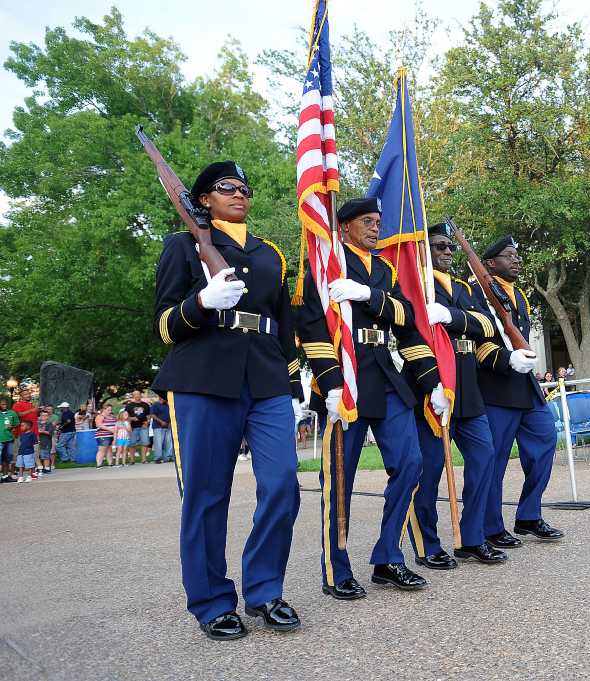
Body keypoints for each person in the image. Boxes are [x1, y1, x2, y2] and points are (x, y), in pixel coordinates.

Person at [150, 160, 303, 640]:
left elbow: (284, 323)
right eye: (226, 187)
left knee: (282, 484)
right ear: (203, 200)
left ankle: (263, 590)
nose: (239, 193)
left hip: (265, 378)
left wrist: (297, 385)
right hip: (203, 377)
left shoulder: (269, 253)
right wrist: (201, 303)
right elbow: (163, 325)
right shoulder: (183, 246)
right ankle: (213, 602)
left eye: (244, 187)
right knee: (206, 494)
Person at [294, 197, 437, 599]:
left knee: (411, 464)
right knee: (339, 480)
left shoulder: (385, 269)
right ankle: (336, 569)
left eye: (378, 221)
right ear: (343, 227)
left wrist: (432, 383)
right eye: (367, 222)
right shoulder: (324, 265)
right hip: (348, 380)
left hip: (386, 377)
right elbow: (310, 326)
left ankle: (388, 557)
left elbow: (407, 319)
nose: (376, 227)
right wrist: (331, 383)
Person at [404, 222, 509, 570]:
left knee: (484, 457)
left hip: (466, 385)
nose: (447, 251)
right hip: (429, 385)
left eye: (449, 246)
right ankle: (427, 545)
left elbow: (489, 326)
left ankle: (472, 537)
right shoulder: (416, 284)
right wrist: (466, 322)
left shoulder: (463, 287)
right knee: (430, 468)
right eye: (438, 246)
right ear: (423, 250)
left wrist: (452, 316)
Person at [470, 235, 564, 548]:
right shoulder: (476, 292)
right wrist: (505, 359)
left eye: (516, 256)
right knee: (493, 461)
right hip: (496, 386)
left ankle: (528, 515)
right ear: (491, 263)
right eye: (509, 256)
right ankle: (491, 527)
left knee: (545, 440)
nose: (516, 261)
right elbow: (475, 340)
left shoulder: (520, 294)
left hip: (526, 387)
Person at [124, 390, 151, 464]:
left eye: (138, 394)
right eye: (135, 394)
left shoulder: (145, 405)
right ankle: (132, 460)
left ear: (140, 395)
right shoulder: (129, 406)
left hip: (143, 426)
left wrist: (147, 422)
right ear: (133, 396)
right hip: (133, 427)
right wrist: (132, 418)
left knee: (145, 442)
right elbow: (125, 417)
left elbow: (148, 415)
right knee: (132, 443)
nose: (137, 396)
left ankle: (144, 460)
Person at [0, 397, 20, 483]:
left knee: (7, 459)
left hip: (9, 439)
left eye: (5, 404)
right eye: (2, 404)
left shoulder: (12, 413)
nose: (4, 405)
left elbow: (16, 424)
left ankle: (5, 476)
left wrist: (11, 427)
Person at [149, 395, 173, 464]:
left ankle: (167, 458)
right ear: (160, 397)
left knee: (168, 443)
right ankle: (157, 458)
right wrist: (161, 422)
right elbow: (152, 415)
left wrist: (170, 423)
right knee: (158, 443)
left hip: (168, 426)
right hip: (158, 427)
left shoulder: (168, 405)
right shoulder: (155, 405)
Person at [37, 406, 55, 473]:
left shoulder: (49, 424)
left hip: (46, 442)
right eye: (43, 415)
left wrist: (42, 431)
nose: (44, 417)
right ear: (40, 416)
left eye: (46, 415)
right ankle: (40, 467)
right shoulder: (37, 423)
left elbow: (50, 433)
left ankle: (47, 468)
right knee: (39, 455)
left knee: (45, 455)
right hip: (38, 442)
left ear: (48, 417)